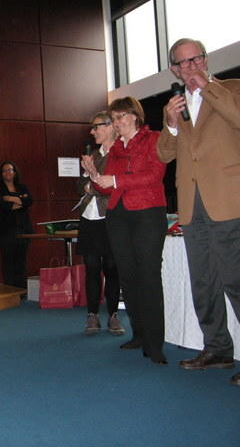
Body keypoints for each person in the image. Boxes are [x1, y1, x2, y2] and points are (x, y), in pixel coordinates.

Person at [157, 38, 240, 384]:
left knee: (236, 278)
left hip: (228, 199)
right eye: (182, 63)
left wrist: (208, 89)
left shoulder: (231, 89)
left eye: (195, 60)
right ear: (174, 70)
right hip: (192, 206)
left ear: (206, 60)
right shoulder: (175, 106)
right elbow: (164, 154)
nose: (190, 67)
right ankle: (217, 348)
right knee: (203, 282)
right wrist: (170, 123)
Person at [88, 97, 167, 365]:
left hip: (147, 212)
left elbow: (154, 175)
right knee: (128, 277)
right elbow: (105, 187)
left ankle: (155, 344)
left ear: (134, 116)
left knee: (149, 277)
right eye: (114, 118)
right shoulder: (116, 149)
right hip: (118, 216)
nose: (116, 122)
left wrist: (115, 180)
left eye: (120, 117)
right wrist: (94, 176)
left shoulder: (153, 139)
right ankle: (139, 335)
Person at [77, 112, 123, 335]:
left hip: (111, 216)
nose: (92, 132)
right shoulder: (92, 155)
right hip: (89, 217)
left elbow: (112, 185)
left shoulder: (121, 153)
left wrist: (93, 182)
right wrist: (90, 183)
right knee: (92, 267)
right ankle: (92, 315)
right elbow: (81, 185)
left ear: (110, 126)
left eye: (96, 127)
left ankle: (113, 314)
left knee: (112, 267)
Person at [0, 162, 33, 289]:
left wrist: (11, 199)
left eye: (10, 170)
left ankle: (22, 290)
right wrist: (21, 201)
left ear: (15, 172)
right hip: (5, 229)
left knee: (21, 261)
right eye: (4, 170)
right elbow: (3, 206)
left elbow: (29, 201)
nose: (7, 173)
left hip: (23, 228)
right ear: (1, 174)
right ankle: (10, 290)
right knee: (8, 261)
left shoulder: (22, 187)